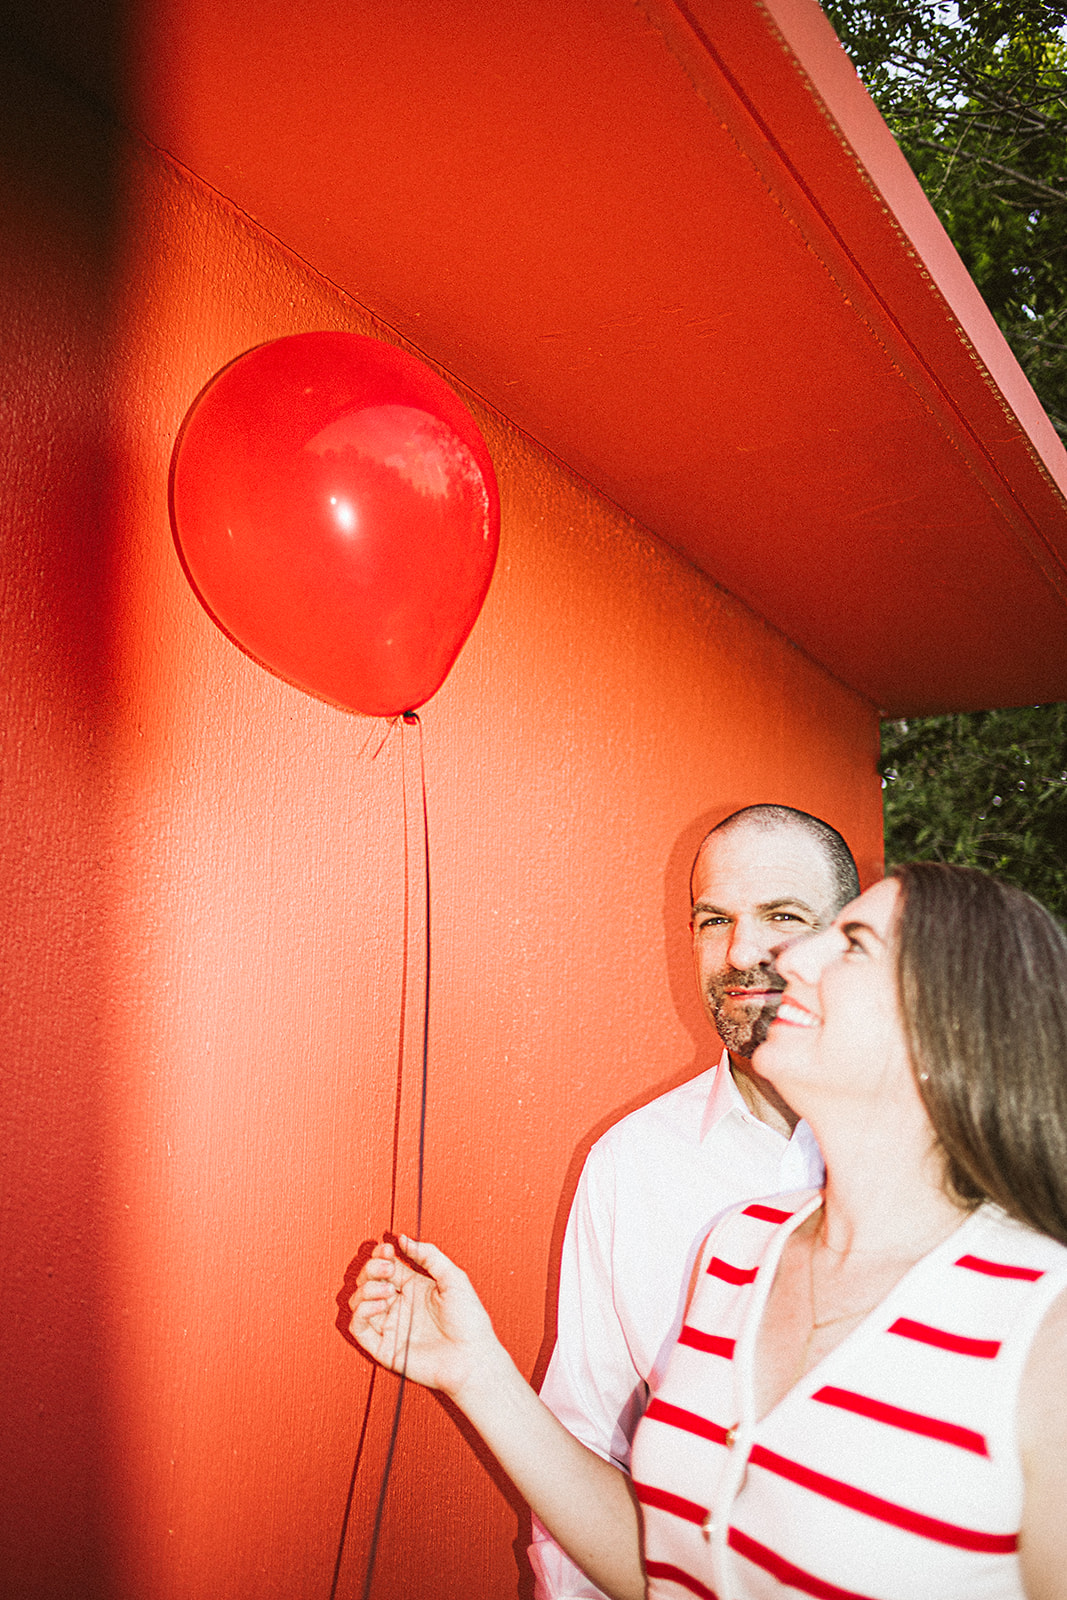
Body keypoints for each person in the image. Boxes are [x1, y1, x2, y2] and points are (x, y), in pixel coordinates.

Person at [349, 862, 1067, 1598]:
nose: (784, 957)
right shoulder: (741, 1247)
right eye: (713, 919)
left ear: (955, 1022)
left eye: (850, 942)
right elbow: (667, 1562)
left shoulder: (1045, 1328)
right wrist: (477, 1373)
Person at [532, 805, 858, 1598]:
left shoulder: (948, 1147)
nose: (741, 951)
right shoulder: (627, 1166)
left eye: (782, 916)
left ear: (852, 937)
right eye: (714, 920)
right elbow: (588, 1440)